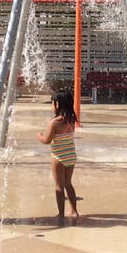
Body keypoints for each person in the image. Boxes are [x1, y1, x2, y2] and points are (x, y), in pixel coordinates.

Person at [37, 88, 80, 222]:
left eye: (52, 103)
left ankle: (61, 213)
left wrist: (39, 136)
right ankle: (74, 211)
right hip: (71, 155)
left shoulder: (55, 122)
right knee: (68, 183)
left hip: (58, 156)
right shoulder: (71, 120)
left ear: (57, 105)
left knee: (58, 186)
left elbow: (47, 140)